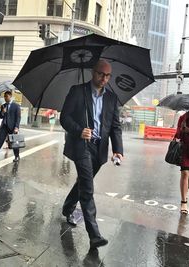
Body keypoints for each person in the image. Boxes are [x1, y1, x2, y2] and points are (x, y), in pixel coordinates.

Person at [60, 59, 123, 249]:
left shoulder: (111, 98)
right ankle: (94, 234)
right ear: (92, 73)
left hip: (99, 148)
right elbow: (65, 118)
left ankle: (68, 207)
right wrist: (79, 130)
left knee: (82, 182)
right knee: (87, 188)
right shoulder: (77, 91)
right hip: (82, 146)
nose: (104, 78)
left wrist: (118, 149)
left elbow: (115, 126)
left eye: (107, 75)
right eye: (100, 74)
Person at [0, 90, 21, 162]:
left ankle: (17, 156)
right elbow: (0, 116)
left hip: (12, 127)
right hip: (4, 126)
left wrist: (16, 127)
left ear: (10, 96)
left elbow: (18, 118)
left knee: (14, 142)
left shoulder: (16, 106)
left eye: (7, 96)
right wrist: (3, 112)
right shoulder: (3, 105)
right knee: (0, 141)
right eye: (4, 97)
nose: (5, 98)